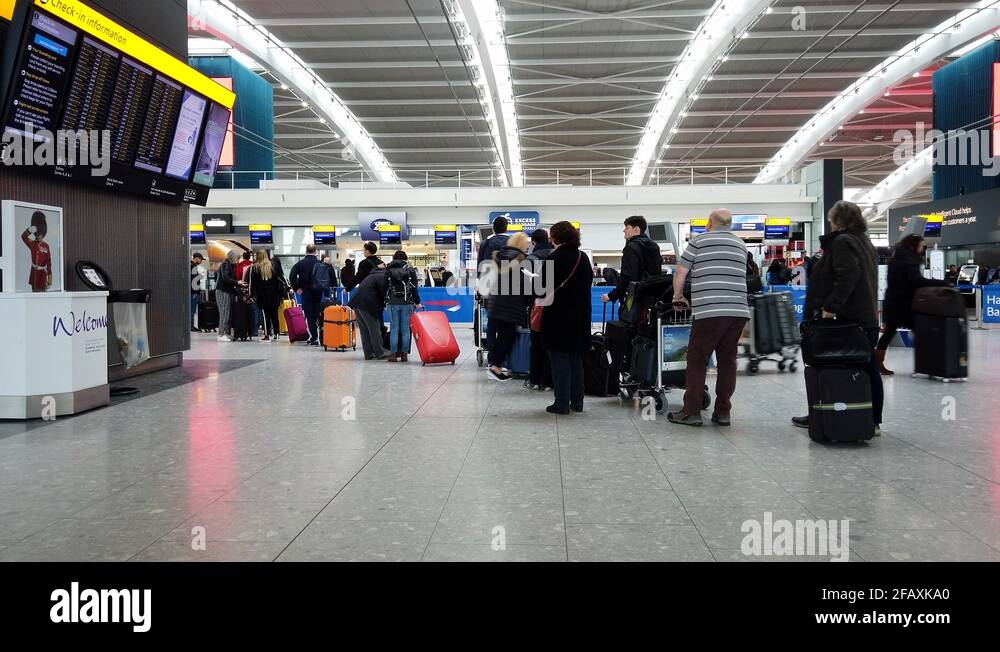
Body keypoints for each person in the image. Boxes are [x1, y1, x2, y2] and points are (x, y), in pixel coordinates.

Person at [792, 200, 883, 435]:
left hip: (847, 319)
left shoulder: (844, 242)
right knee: (867, 366)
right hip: (864, 318)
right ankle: (864, 417)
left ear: (839, 221)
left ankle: (836, 413)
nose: (830, 224)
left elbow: (847, 276)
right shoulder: (864, 242)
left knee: (832, 365)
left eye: (832, 219)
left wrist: (830, 307)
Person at [668, 209, 751, 427]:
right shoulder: (741, 244)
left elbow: (681, 272)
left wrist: (678, 297)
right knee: (727, 361)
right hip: (738, 312)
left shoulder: (699, 241)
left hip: (709, 311)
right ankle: (723, 412)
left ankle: (691, 412)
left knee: (697, 359)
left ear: (709, 223)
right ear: (730, 225)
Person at [875, 234, 950, 375]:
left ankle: (877, 363)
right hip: (904, 305)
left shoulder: (897, 257)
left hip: (893, 302)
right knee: (921, 333)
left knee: (889, 333)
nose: (922, 249)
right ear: (913, 245)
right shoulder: (909, 260)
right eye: (921, 246)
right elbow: (917, 281)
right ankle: (929, 364)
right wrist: (942, 282)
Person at [541, 222, 593, 415]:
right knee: (576, 359)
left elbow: (542, 288)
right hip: (580, 316)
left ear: (556, 237)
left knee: (559, 360)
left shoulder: (553, 258)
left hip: (558, 316)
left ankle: (561, 402)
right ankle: (577, 401)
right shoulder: (583, 257)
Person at [485, 232, 531, 381]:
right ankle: (495, 367)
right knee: (507, 336)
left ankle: (496, 364)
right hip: (510, 305)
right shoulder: (520, 260)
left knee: (502, 336)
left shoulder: (499, 257)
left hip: (496, 302)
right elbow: (523, 284)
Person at [601, 215, 662, 305]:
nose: (624, 230)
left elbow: (627, 277)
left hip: (633, 298)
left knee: (629, 318)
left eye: (627, 227)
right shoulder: (654, 246)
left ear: (636, 229)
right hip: (651, 296)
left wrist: (611, 296)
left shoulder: (631, 248)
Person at [525, 229, 553, 390]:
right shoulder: (556, 255)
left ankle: (535, 380)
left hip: (536, 306)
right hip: (554, 306)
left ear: (533, 242)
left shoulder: (531, 259)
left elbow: (526, 286)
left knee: (535, 345)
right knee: (551, 345)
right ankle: (548, 381)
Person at [385, 251, 422, 362]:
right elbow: (414, 288)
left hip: (392, 303)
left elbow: (384, 286)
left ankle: (393, 354)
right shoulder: (410, 269)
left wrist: (385, 299)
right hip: (407, 302)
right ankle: (404, 354)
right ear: (405, 258)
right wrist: (417, 301)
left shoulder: (388, 269)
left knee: (394, 329)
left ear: (394, 258)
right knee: (406, 329)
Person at [348, 267, 389, 360]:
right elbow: (383, 293)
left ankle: (369, 353)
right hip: (367, 304)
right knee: (374, 329)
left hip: (356, 303)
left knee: (364, 330)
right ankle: (380, 352)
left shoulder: (372, 275)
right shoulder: (382, 276)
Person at [289, 244, 324, 346]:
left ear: (306, 251)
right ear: (315, 252)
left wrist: (297, 288)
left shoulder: (300, 263)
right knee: (319, 314)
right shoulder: (320, 263)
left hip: (306, 292)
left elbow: (292, 275)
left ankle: (314, 338)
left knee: (309, 316)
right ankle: (322, 337)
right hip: (318, 292)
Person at [248, 249, 283, 342]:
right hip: (275, 295)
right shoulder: (274, 265)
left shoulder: (254, 268)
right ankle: (277, 334)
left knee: (265, 316)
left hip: (262, 296)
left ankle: (267, 335)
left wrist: (250, 295)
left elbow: (252, 284)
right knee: (275, 315)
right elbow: (281, 278)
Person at [21, 211, 52, 293]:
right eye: (38, 234)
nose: (39, 236)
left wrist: (49, 277)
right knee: (34, 293)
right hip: (34, 273)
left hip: (42, 275)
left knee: (42, 295)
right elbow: (23, 237)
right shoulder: (32, 244)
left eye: (41, 234)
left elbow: (48, 262)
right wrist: (32, 228)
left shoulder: (46, 246)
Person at [216, 250, 241, 342]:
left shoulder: (228, 264)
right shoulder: (226, 264)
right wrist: (237, 282)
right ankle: (221, 334)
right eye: (237, 258)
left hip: (225, 291)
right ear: (233, 257)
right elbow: (226, 278)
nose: (238, 260)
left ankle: (226, 333)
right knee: (224, 313)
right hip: (223, 291)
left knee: (227, 313)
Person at [191, 253, 205, 332]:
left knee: (192, 309)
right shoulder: (193, 266)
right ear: (196, 258)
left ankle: (191, 325)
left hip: (193, 291)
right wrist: (201, 276)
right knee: (192, 309)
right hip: (193, 292)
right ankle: (191, 326)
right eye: (200, 259)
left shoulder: (191, 266)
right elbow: (194, 281)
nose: (201, 261)